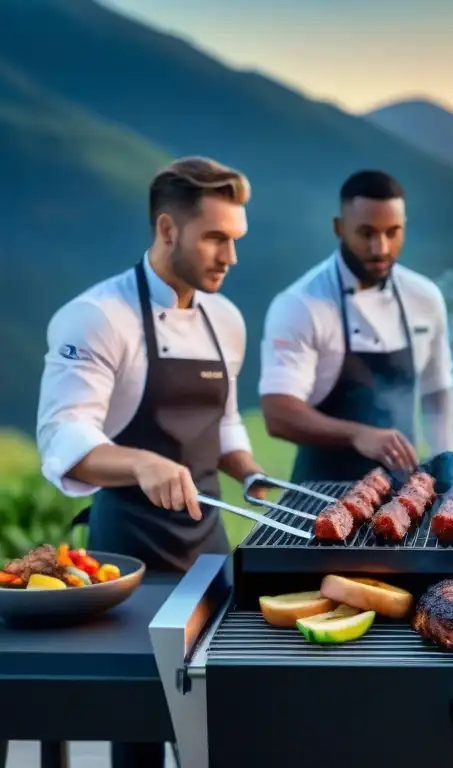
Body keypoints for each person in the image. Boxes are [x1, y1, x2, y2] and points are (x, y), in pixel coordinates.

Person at [36, 156, 266, 763]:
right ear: (167, 230)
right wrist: (142, 464)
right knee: (140, 723)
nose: (230, 257)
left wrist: (249, 472)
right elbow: (63, 436)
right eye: (215, 238)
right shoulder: (97, 317)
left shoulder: (227, 320)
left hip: (209, 551)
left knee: (223, 717)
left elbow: (223, 421)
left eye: (236, 239)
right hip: (129, 562)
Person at [259, 170, 453, 483]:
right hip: (321, 493)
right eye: (366, 233)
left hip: (403, 492)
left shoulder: (424, 297)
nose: (380, 248)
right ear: (339, 228)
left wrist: (444, 453)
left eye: (392, 233)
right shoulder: (300, 304)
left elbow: (436, 387)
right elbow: (277, 412)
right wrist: (357, 434)